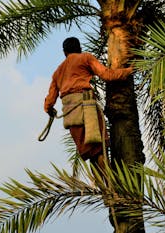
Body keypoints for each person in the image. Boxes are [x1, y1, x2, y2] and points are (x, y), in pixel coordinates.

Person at [44, 37, 133, 172]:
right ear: (79, 48)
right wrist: (128, 71)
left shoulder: (58, 72)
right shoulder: (85, 58)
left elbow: (50, 101)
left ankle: (104, 190)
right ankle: (112, 186)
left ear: (64, 52)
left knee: (91, 154)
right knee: (100, 150)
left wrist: (49, 109)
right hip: (87, 110)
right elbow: (107, 75)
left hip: (71, 117)